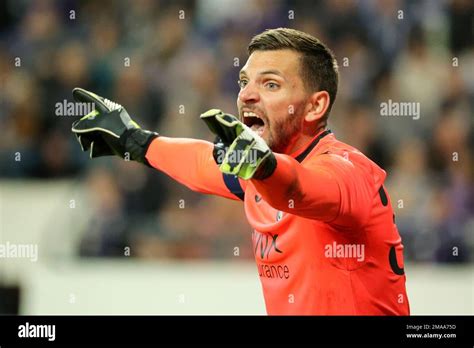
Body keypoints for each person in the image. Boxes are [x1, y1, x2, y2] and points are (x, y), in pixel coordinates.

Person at [71, 28, 410, 315]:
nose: (246, 95)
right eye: (244, 81)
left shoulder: (348, 172)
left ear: (315, 105)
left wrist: (262, 166)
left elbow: (299, 189)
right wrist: (136, 141)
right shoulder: (256, 173)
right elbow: (203, 163)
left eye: (271, 85)